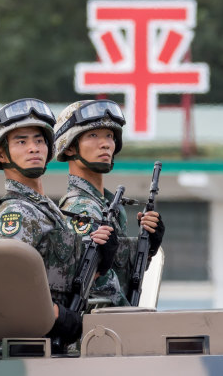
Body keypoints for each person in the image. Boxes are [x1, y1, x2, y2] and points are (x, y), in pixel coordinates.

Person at [0, 98, 119, 347]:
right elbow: (8, 287)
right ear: (1, 153)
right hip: (29, 347)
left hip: (52, 344)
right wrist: (56, 316)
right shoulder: (15, 213)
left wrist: (103, 261)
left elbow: (62, 276)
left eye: (39, 140)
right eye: (21, 141)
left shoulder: (48, 211)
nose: (34, 148)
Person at [54, 99, 165, 303]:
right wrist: (133, 317)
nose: (105, 143)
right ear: (69, 147)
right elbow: (97, 284)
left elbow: (119, 271)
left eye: (110, 136)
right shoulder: (81, 209)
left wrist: (147, 248)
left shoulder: (105, 205)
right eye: (93, 135)